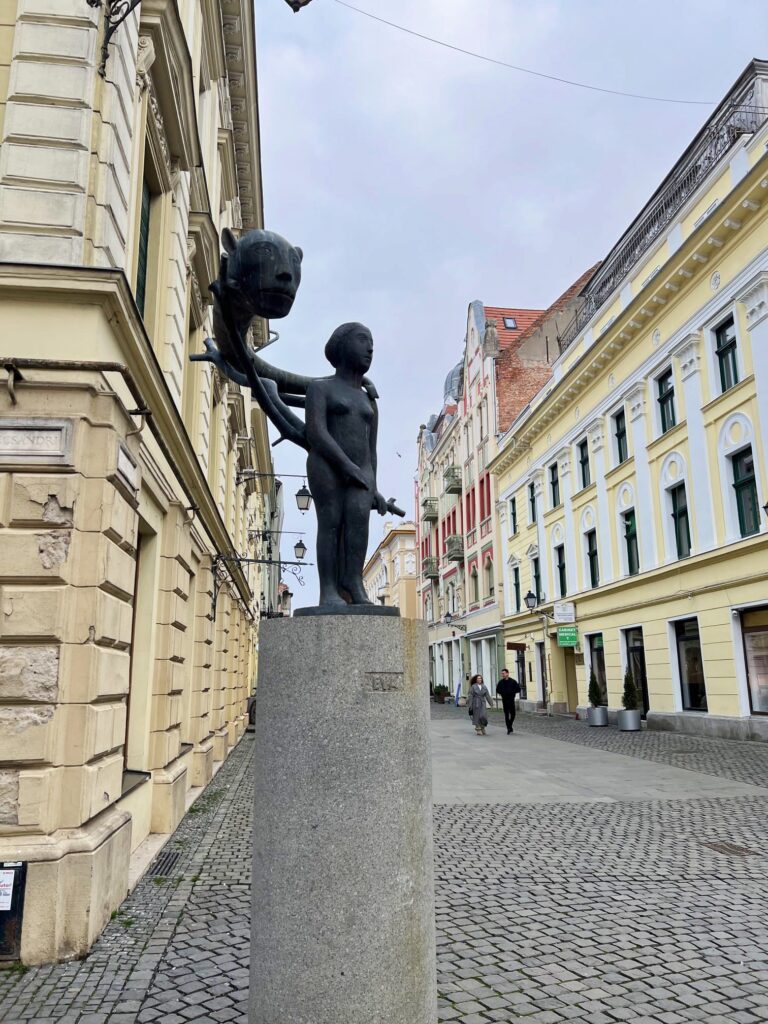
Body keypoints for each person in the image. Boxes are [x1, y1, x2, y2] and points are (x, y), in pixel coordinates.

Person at [496, 668, 521, 734]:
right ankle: (508, 728)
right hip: (504, 700)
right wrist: (502, 693)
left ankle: (510, 724)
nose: (502, 675)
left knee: (513, 714)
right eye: (502, 674)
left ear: (507, 673)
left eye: (503, 673)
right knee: (506, 714)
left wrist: (512, 692)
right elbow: (497, 690)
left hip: (511, 700)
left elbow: (518, 689)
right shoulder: (500, 682)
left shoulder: (513, 681)